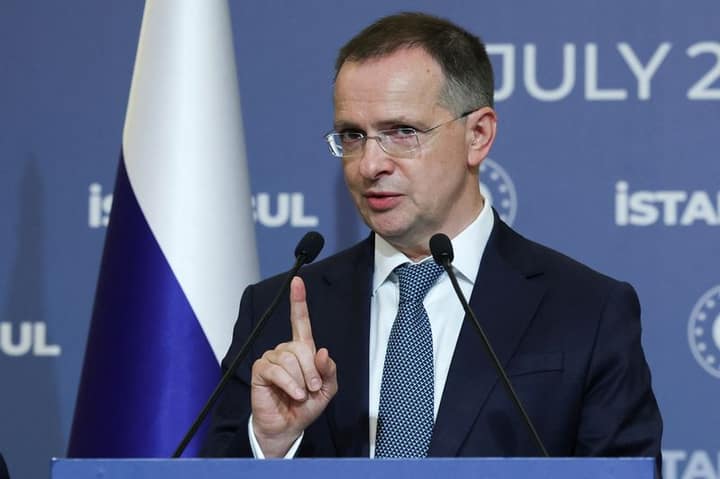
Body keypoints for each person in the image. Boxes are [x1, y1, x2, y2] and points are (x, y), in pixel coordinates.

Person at [202, 11, 662, 468]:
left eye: (402, 132)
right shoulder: (275, 311)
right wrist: (270, 443)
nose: (369, 165)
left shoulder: (588, 310)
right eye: (353, 135)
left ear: (478, 135)